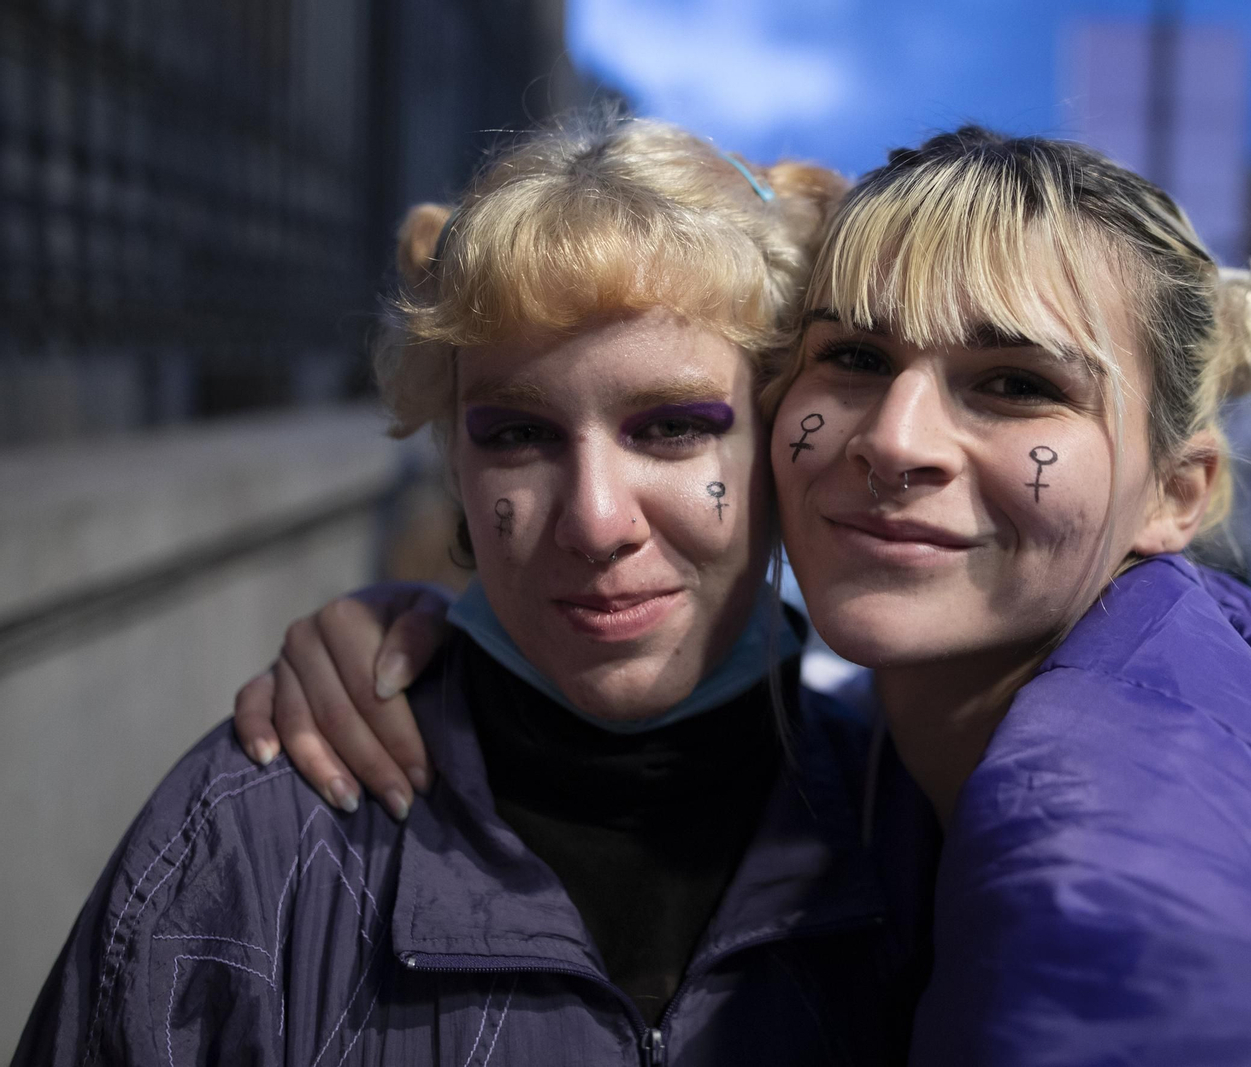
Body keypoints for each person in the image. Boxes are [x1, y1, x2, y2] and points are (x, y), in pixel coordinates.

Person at [241, 125, 1251, 1066]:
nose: (896, 438)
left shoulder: (1117, 846)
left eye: (1015, 385)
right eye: (853, 356)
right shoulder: (903, 747)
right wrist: (441, 629)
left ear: (1178, 494)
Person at [14, 117, 938, 1067]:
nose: (595, 520)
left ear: (788, 438)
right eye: (517, 436)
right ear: (453, 455)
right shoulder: (242, 845)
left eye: (670, 428)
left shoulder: (928, 836)